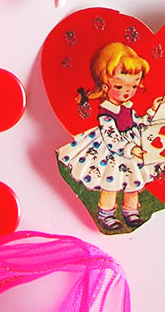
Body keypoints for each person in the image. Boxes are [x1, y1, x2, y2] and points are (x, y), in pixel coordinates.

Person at [58, 41, 153, 232]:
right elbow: (111, 137)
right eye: (119, 86)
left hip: (131, 148)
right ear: (104, 85)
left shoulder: (128, 107)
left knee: (133, 182)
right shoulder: (106, 113)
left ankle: (131, 211)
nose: (127, 92)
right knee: (111, 183)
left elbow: (138, 123)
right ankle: (106, 214)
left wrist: (152, 112)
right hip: (112, 152)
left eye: (133, 86)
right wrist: (130, 148)